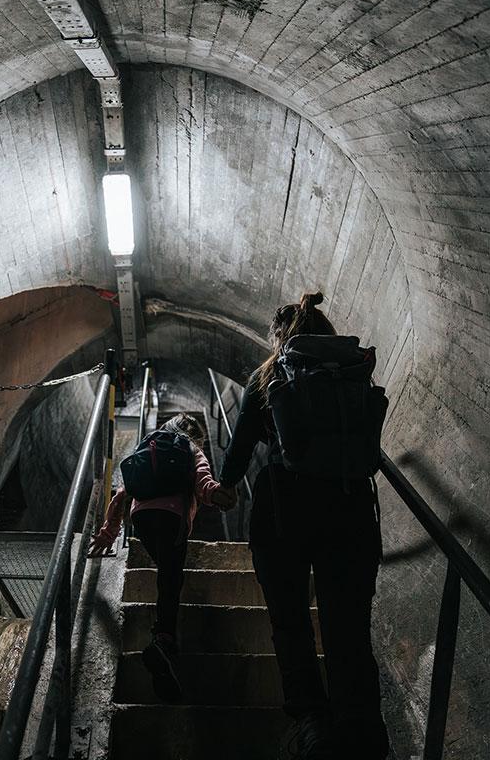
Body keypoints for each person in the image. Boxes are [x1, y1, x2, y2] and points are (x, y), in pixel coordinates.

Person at [220, 291, 389, 760]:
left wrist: (225, 486)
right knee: (348, 627)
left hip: (284, 506)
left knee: (291, 621)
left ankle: (313, 725)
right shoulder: (351, 370)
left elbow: (238, 453)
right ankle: (360, 728)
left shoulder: (269, 374)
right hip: (351, 505)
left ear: (280, 336)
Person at [88, 413, 236, 702]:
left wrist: (108, 533)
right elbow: (203, 482)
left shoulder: (148, 445)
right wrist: (219, 496)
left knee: (165, 566)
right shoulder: (191, 449)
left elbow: (122, 493)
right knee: (171, 578)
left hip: (142, 518)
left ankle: (163, 640)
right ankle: (164, 640)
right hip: (173, 517)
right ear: (197, 437)